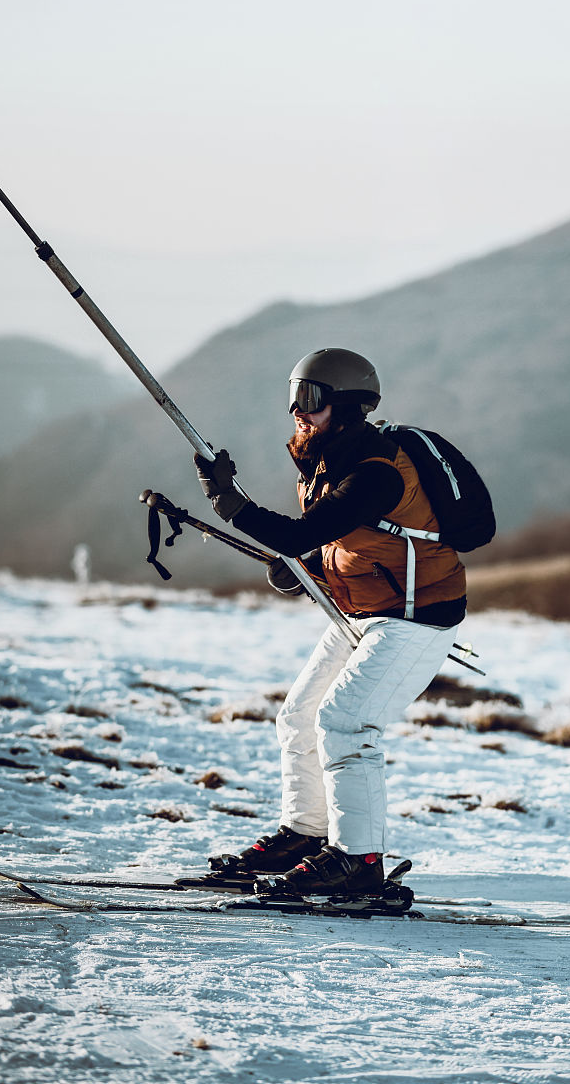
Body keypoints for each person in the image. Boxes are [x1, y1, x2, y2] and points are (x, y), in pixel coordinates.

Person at [194, 348, 466, 897]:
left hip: (415, 616)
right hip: (362, 611)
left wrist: (229, 501)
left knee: (346, 724)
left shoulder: (376, 472)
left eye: (311, 398)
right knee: (299, 716)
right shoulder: (329, 463)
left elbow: (300, 532)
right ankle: (306, 835)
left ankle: (358, 861)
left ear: (345, 406)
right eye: (293, 396)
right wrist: (311, 568)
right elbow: (350, 540)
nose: (298, 410)